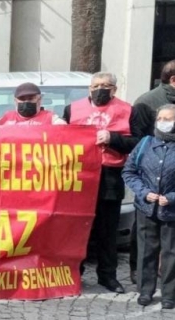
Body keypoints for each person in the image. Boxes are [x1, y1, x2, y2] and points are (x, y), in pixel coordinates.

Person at [62, 72, 139, 294]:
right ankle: (75, 273)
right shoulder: (72, 109)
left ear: (114, 89)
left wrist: (113, 138)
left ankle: (108, 276)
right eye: (96, 85)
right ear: (89, 88)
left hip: (110, 175)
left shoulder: (127, 110)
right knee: (77, 229)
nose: (100, 89)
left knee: (107, 231)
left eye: (106, 86)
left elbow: (137, 142)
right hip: (78, 176)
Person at [122, 104, 175, 309]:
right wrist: (144, 193)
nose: (163, 122)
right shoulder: (146, 142)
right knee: (146, 251)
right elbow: (129, 171)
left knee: (172, 253)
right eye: (160, 118)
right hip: (146, 207)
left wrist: (173, 197)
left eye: (168, 119)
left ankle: (169, 293)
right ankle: (145, 290)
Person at [129, 59, 175, 284]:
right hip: (151, 176)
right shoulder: (146, 101)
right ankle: (139, 271)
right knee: (145, 231)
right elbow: (137, 138)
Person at [0, 82, 66, 125]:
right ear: (15, 101)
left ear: (39, 100)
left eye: (30, 98)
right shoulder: (7, 118)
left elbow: (64, 133)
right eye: (22, 99)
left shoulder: (51, 119)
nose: (26, 102)